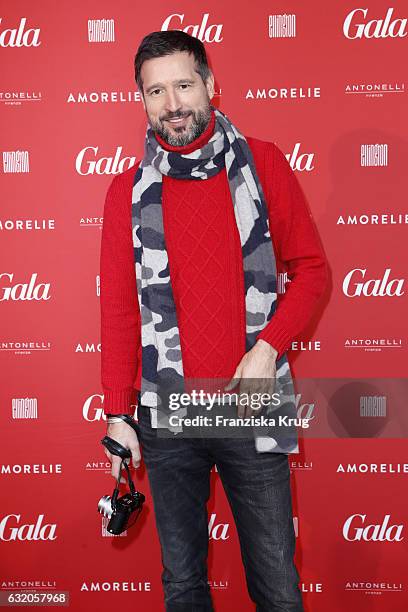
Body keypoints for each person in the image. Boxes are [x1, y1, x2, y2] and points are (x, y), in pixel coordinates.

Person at [100, 30, 328, 612]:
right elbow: (122, 310)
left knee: (277, 587)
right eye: (156, 91)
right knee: (183, 586)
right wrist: (119, 414)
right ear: (142, 100)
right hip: (168, 410)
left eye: (182, 84)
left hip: (249, 402)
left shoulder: (264, 164)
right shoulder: (125, 193)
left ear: (210, 85)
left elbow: (313, 272)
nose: (172, 103)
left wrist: (267, 348)